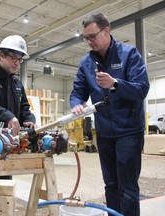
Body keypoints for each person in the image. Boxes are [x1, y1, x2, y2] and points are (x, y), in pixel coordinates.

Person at [70, 13, 149, 216]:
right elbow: (78, 90)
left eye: (92, 36)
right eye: (85, 38)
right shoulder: (86, 62)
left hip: (128, 131)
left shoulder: (129, 54)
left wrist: (115, 84)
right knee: (111, 184)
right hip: (104, 131)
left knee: (128, 186)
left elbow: (141, 89)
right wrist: (76, 103)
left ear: (106, 31)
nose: (89, 42)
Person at [0, 35, 36, 179]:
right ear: (1, 56)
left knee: (5, 184)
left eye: (20, 59)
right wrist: (7, 116)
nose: (17, 63)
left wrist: (29, 119)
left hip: (8, 145)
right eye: (13, 58)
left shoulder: (17, 84)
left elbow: (24, 108)